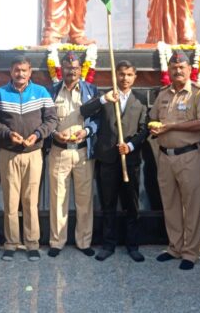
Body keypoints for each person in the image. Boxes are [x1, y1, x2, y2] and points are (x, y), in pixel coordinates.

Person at [0, 55, 58, 261]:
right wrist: (7, 134)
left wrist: (38, 135)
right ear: (11, 71)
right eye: (17, 70)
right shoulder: (0, 93)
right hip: (8, 154)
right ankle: (11, 243)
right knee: (10, 201)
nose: (20, 74)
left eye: (24, 70)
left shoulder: (41, 92)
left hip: (33, 154)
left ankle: (32, 243)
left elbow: (52, 119)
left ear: (30, 72)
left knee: (30, 201)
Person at [149, 50, 200, 270]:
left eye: (181, 67)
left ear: (189, 69)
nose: (177, 70)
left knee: (192, 205)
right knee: (171, 204)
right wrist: (157, 128)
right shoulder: (163, 94)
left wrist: (172, 126)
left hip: (189, 156)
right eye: (174, 67)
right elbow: (154, 119)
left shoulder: (198, 93)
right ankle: (174, 247)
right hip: (165, 156)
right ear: (169, 69)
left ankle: (190, 252)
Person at [80, 60, 149, 262]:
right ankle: (108, 244)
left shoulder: (140, 101)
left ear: (134, 77)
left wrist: (131, 146)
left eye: (129, 74)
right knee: (108, 204)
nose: (124, 78)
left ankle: (132, 245)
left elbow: (144, 129)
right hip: (108, 159)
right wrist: (103, 99)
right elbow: (85, 111)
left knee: (131, 205)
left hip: (131, 160)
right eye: (121, 74)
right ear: (115, 76)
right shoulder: (107, 96)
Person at [47, 51, 98, 257]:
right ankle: (57, 242)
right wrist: (54, 134)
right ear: (62, 69)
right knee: (58, 199)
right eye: (68, 68)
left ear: (80, 69)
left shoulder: (90, 90)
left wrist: (87, 131)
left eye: (75, 68)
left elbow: (97, 119)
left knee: (84, 200)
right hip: (59, 152)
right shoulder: (52, 92)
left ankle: (84, 242)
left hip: (83, 152)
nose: (71, 71)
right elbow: (46, 119)